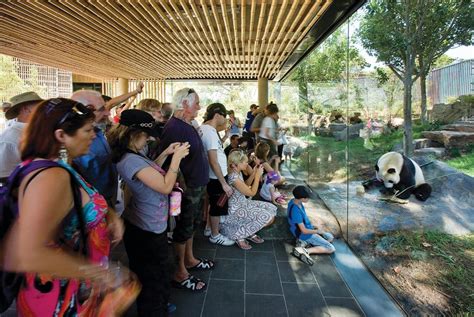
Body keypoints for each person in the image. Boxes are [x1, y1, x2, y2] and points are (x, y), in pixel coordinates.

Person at [0, 98, 134, 315]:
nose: (94, 135)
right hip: (57, 297)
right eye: (88, 130)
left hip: (68, 290)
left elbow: (77, 200)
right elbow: (24, 253)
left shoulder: (58, 165)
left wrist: (108, 214)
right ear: (61, 135)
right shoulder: (52, 177)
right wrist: (99, 274)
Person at [109, 109, 190, 316]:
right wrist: (176, 160)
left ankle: (158, 306)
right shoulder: (130, 160)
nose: (147, 140)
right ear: (133, 134)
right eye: (145, 136)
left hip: (146, 222)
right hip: (146, 229)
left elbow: (149, 171)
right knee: (154, 277)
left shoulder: (133, 154)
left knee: (155, 272)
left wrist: (166, 154)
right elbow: (164, 185)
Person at [159, 88, 211, 292]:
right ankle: (180, 272)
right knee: (183, 229)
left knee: (190, 226)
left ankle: (189, 260)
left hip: (196, 185)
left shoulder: (186, 124)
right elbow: (168, 160)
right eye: (196, 103)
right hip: (187, 188)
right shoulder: (175, 127)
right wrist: (182, 186)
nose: (199, 106)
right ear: (184, 104)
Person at [221, 150, 277, 250]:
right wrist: (257, 176)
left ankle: (249, 231)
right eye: (245, 162)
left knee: (272, 208)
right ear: (237, 164)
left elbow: (246, 185)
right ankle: (240, 234)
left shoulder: (237, 172)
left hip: (243, 203)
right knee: (268, 217)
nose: (247, 164)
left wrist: (254, 172)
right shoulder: (233, 177)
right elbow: (251, 193)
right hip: (235, 208)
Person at [71, 90, 118, 208]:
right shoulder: (71, 147)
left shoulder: (97, 131)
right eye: (102, 109)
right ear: (86, 110)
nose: (108, 113)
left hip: (105, 201)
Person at [200, 103, 235, 246]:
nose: (225, 120)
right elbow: (213, 161)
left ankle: (209, 228)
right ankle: (215, 235)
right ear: (217, 115)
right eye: (224, 116)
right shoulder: (209, 131)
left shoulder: (206, 129)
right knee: (216, 206)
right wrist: (224, 183)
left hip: (214, 175)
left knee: (213, 204)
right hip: (216, 177)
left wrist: (225, 136)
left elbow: (215, 148)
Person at [0, 92, 43, 184]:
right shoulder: (9, 138)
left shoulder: (40, 130)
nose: (44, 111)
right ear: (26, 109)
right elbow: (4, 176)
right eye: (40, 107)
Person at [288, 186, 335, 265]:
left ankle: (305, 243)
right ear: (302, 198)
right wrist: (318, 231)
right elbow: (304, 231)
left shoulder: (295, 201)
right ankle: (304, 250)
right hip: (304, 234)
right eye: (307, 197)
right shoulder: (296, 211)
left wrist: (313, 228)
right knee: (331, 248)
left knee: (329, 236)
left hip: (304, 230)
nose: (308, 199)